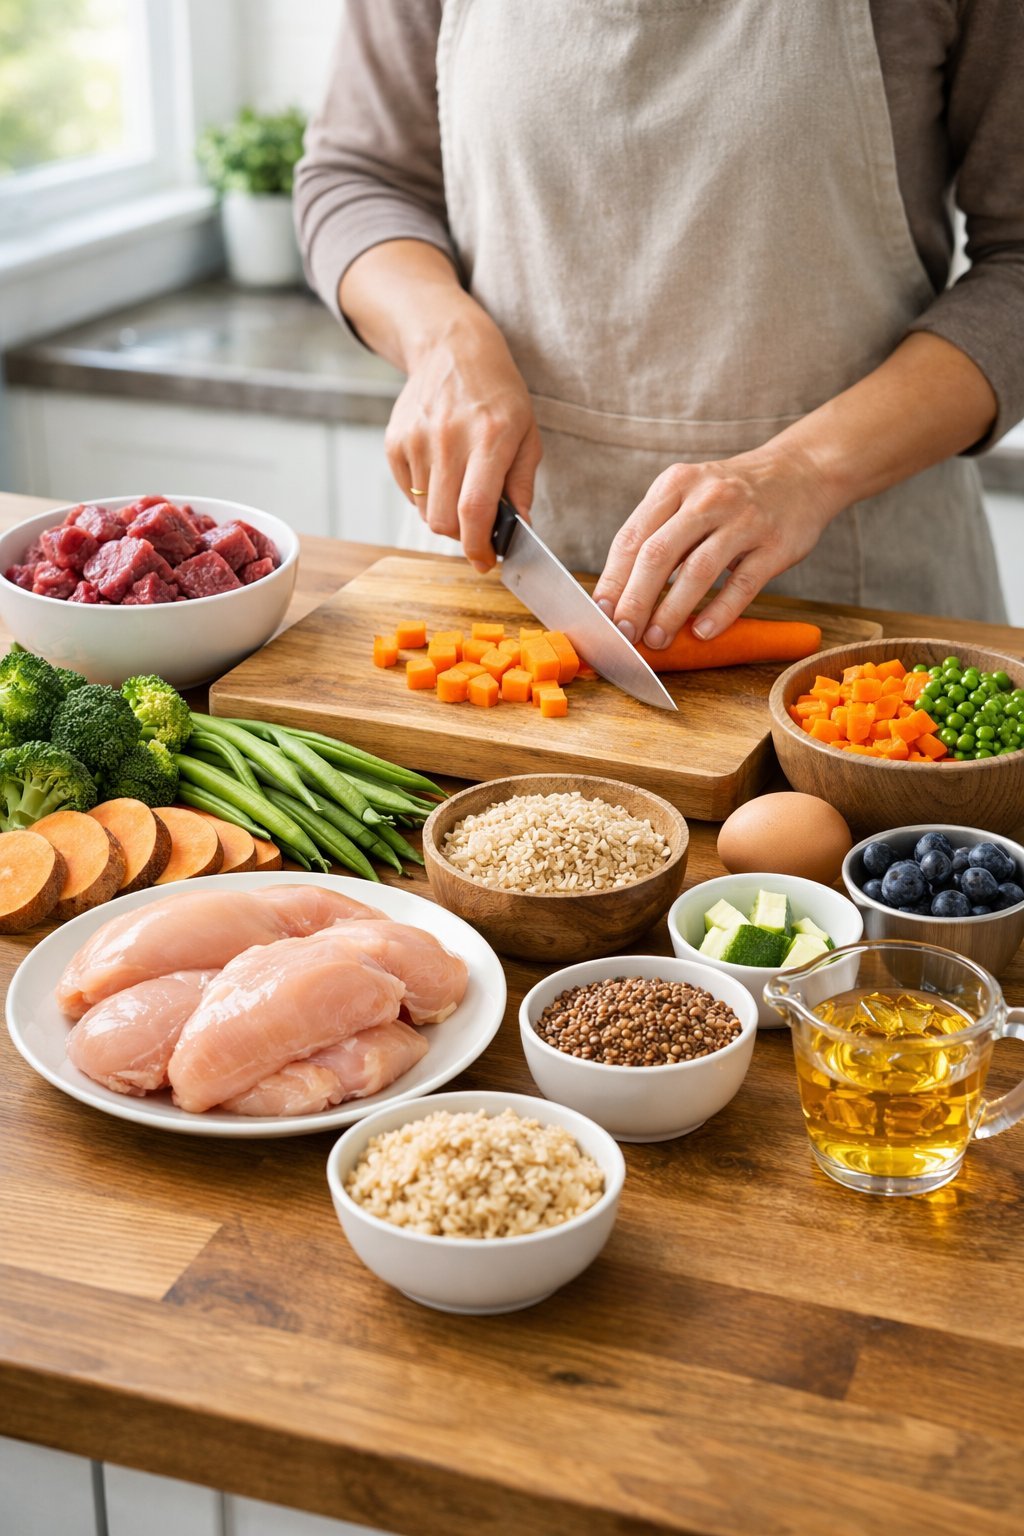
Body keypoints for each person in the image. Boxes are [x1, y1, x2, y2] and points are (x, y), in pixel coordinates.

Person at [295, 1, 1023, 647]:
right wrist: (441, 337)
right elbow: (361, 175)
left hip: (857, 590)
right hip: (508, 570)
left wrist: (806, 470)